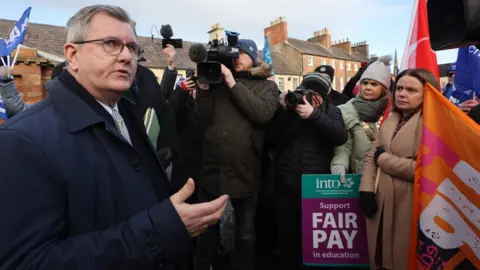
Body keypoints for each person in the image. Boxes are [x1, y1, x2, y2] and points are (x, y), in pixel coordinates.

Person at [0, 5, 228, 269]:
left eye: (132, 48)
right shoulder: (22, 142)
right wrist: (158, 229)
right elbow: (28, 262)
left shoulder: (127, 114)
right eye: (110, 43)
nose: (126, 56)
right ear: (72, 55)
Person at [194, 39, 280, 270]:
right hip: (212, 167)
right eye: (235, 54)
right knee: (206, 230)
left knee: (244, 233)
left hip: (246, 169)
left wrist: (232, 83)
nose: (237, 58)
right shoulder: (217, 84)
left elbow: (262, 114)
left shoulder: (267, 86)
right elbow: (201, 120)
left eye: (242, 53)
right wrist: (203, 90)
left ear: (254, 57)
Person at [359, 68, 439, 270]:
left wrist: (384, 159)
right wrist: (366, 190)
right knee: (379, 258)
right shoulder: (390, 119)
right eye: (400, 88)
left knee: (403, 258)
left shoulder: (433, 124)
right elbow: (371, 156)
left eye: (411, 90)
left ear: (427, 93)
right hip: (381, 200)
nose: (402, 94)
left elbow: (427, 169)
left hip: (411, 203)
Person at [266, 72, 348, 270]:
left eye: (315, 94)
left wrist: (314, 115)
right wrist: (283, 111)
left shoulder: (332, 110)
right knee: (287, 238)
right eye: (306, 91)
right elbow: (270, 138)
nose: (309, 97)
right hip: (287, 184)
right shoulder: (290, 110)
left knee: (313, 239)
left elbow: (339, 136)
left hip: (315, 187)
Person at [330, 55, 392, 181]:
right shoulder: (346, 111)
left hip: (387, 178)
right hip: (360, 178)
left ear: (383, 89)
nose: (368, 87)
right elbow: (344, 146)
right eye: (365, 83)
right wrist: (339, 164)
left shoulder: (392, 112)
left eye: (374, 84)